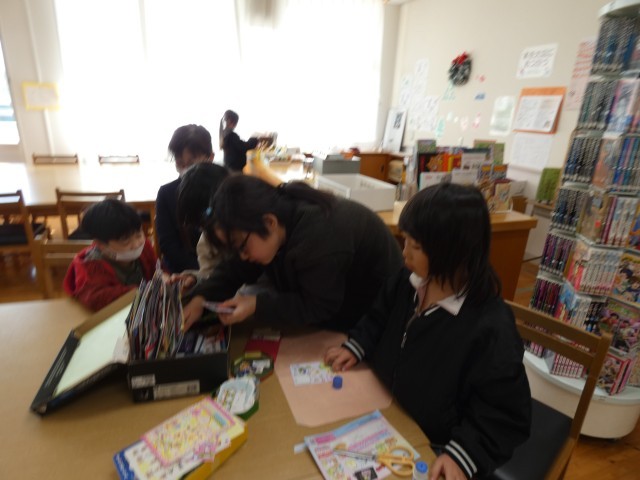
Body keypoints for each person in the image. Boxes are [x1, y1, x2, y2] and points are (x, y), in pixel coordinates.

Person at [324, 183, 531, 480]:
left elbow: (503, 413)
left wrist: (463, 454)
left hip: (436, 443)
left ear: (454, 252)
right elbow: (377, 317)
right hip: (385, 409)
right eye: (405, 240)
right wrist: (357, 345)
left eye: (416, 246)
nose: (404, 252)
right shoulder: (407, 280)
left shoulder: (491, 328)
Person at [178, 174, 404, 331]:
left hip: (373, 318)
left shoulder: (319, 235)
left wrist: (257, 305)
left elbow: (319, 305)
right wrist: (201, 298)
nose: (242, 256)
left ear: (269, 222)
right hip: (336, 306)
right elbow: (235, 269)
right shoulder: (274, 222)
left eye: (242, 247)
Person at [63, 199, 157, 311]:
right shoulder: (91, 265)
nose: (136, 244)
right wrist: (144, 290)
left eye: (139, 234)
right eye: (125, 240)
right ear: (100, 244)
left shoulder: (144, 247)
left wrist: (165, 278)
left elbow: (156, 270)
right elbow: (96, 298)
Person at [155, 124, 215, 273]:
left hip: (220, 268)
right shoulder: (166, 194)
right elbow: (168, 245)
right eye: (180, 163)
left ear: (210, 157)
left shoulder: (222, 188)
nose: (186, 169)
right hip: (184, 271)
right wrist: (199, 272)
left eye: (192, 163)